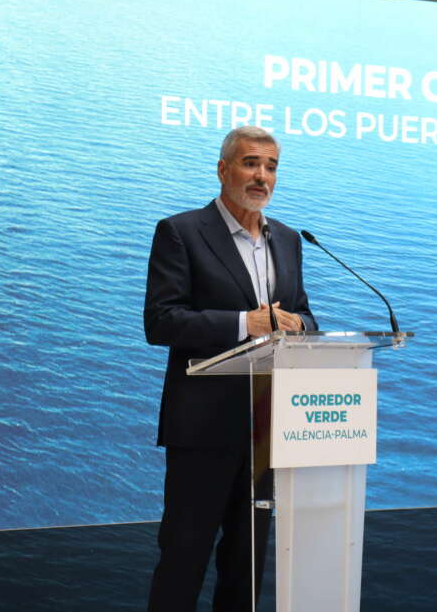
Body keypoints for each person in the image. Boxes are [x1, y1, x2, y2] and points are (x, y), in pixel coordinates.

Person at [144, 126, 316, 611]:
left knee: (246, 567)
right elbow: (161, 321)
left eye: (271, 166)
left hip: (265, 429)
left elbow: (304, 311)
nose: (262, 176)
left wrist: (297, 324)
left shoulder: (287, 239)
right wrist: (247, 322)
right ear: (223, 169)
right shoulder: (181, 232)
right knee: (184, 559)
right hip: (201, 428)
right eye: (250, 163)